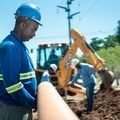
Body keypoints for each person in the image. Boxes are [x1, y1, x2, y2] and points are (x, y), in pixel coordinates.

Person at [0, 3, 42, 120]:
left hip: (21, 106)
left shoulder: (20, 46)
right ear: (22, 24)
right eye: (33, 29)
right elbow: (13, 86)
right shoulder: (10, 46)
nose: (34, 34)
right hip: (14, 109)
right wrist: (33, 102)